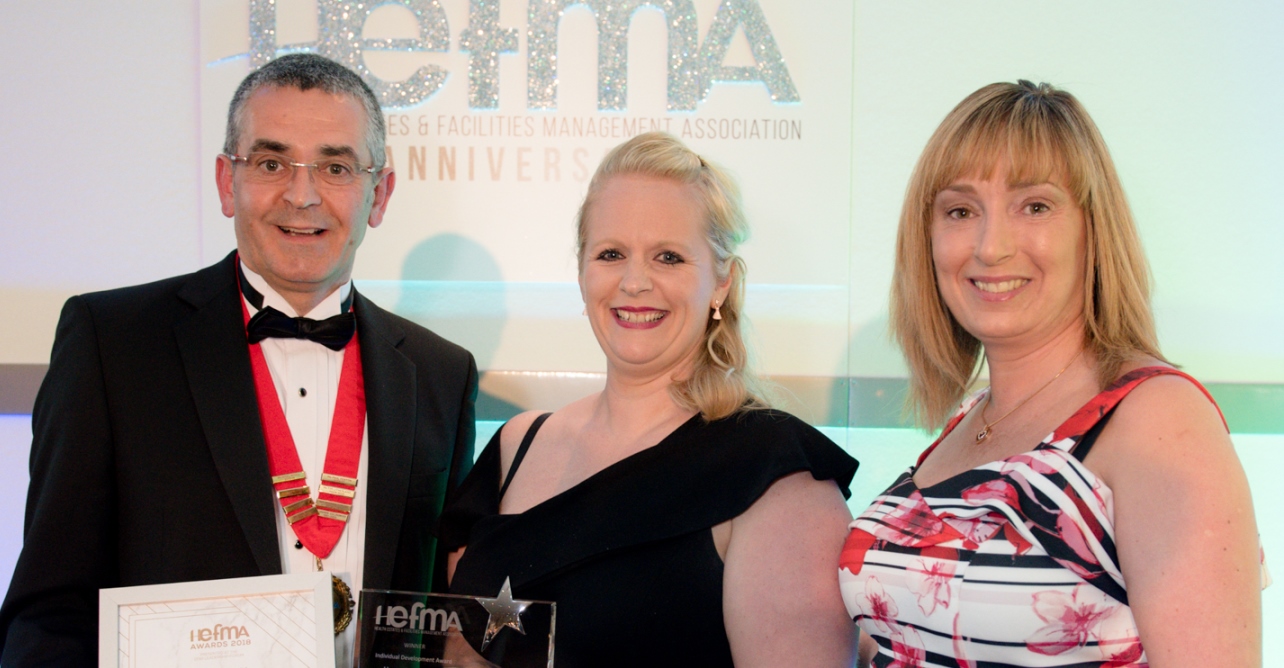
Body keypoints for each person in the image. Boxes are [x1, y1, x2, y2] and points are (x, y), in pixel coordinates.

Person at [0, 53, 477, 665]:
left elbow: (438, 615)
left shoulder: (441, 375)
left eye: (335, 166)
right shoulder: (113, 343)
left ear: (378, 195)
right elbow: (50, 613)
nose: (302, 197)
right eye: (272, 162)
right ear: (228, 182)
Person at [839, 81, 1268, 666]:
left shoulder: (1157, 418)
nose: (991, 247)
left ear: (1093, 232)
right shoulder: (971, 418)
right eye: (961, 211)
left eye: (1034, 206)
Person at [439, 132, 859, 667]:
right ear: (582, 271)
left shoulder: (775, 473)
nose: (635, 282)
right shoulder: (517, 445)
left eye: (669, 257)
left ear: (721, 283)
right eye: (611, 253)